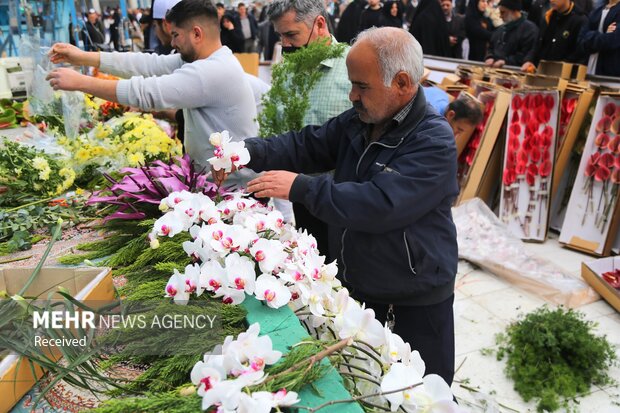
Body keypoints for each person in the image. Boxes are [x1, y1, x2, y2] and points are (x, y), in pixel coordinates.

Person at [215, 27, 458, 386]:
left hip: (414, 296)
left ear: (403, 84)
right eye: (352, 84)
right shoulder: (361, 122)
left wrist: (300, 187)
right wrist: (249, 152)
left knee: (422, 390)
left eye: (362, 86)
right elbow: (308, 144)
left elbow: (380, 204)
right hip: (361, 286)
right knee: (364, 384)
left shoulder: (433, 141)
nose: (352, 95)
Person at [47, 0, 257, 189]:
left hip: (235, 189)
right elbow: (147, 64)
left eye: (175, 35)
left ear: (196, 33)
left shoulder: (211, 71)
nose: (172, 43)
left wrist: (81, 82)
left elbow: (146, 93)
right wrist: (83, 57)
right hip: (214, 182)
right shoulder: (200, 61)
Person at [267, 0, 353, 253]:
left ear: (319, 24)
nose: (285, 44)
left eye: (291, 34)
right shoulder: (289, 71)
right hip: (301, 196)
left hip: (344, 200)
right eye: (281, 36)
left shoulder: (352, 68)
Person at [521, 0, 588, 71]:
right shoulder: (548, 17)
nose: (551, 0)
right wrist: (529, 60)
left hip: (564, 75)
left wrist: (558, 69)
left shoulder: (580, 20)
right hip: (542, 72)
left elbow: (579, 54)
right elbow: (537, 45)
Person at [485, 0, 539, 67]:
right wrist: (490, 57)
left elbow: (527, 55)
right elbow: (491, 47)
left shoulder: (530, 29)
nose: (500, 16)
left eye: (503, 12)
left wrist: (506, 61)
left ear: (514, 11)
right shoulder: (501, 29)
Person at [580, 0, 620, 77]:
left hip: (610, 73)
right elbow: (581, 41)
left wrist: (590, 36)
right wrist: (604, 34)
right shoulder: (596, 11)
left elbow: (613, 40)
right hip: (588, 68)